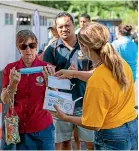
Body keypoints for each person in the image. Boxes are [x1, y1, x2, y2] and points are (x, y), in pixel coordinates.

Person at [54, 22, 138, 150]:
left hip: (112, 135)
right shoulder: (119, 64)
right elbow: (101, 76)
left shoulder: (97, 83)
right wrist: (74, 73)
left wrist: (65, 117)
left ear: (83, 47)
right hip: (132, 126)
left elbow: (93, 124)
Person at [43, 12, 94, 150]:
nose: (64, 29)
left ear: (74, 25)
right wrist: (51, 77)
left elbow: (98, 74)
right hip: (61, 103)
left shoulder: (87, 45)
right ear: (56, 28)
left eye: (67, 25)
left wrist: (75, 74)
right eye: (60, 27)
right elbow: (47, 77)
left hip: (86, 102)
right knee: (65, 142)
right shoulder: (52, 50)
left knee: (90, 143)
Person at [1, 30, 55, 150]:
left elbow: (55, 101)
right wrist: (13, 84)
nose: (28, 50)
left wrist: (51, 83)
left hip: (42, 128)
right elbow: (4, 100)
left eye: (32, 45)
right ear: (18, 48)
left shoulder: (47, 68)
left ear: (37, 46)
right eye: (23, 46)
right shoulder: (10, 69)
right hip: (15, 126)